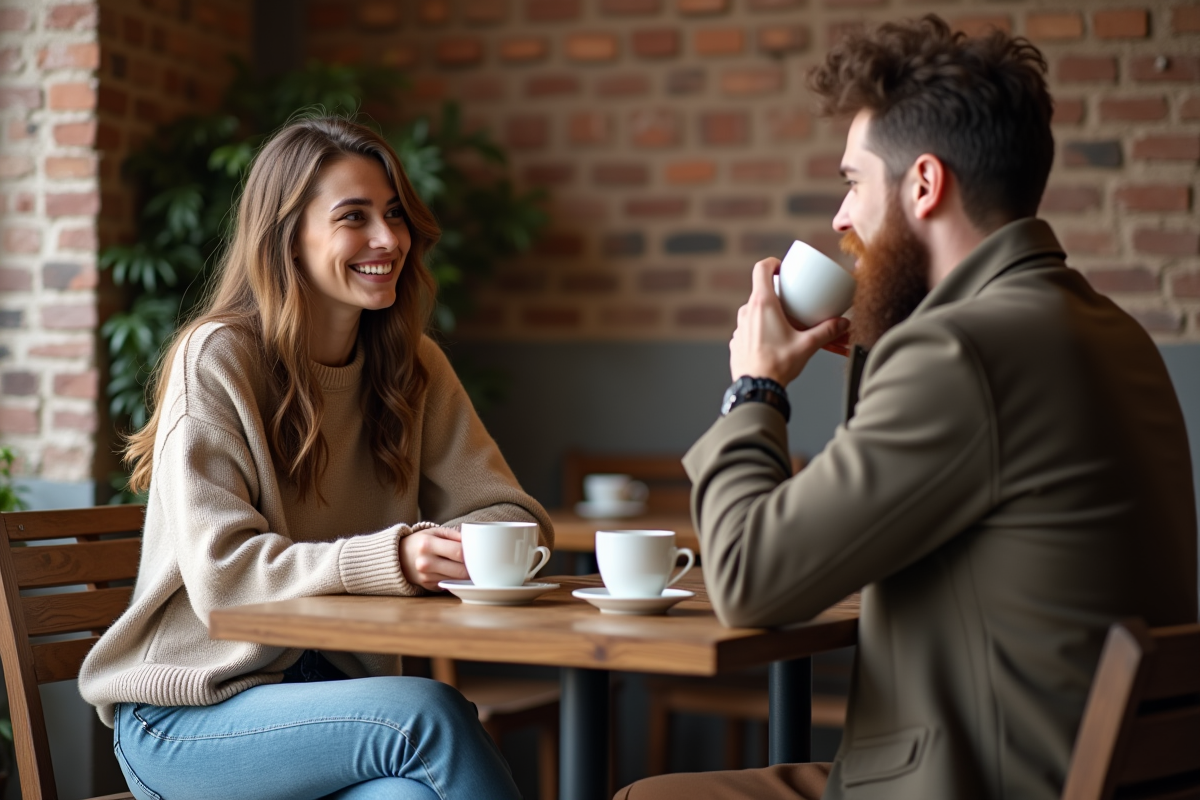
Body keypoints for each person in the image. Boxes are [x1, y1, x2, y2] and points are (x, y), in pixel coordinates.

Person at [616, 15, 1196, 800]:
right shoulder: (1106, 330)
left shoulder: (961, 352)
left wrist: (755, 387)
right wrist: (881, 349)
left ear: (924, 184)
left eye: (854, 182)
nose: (840, 217)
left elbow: (749, 579)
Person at [79, 116, 553, 800]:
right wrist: (392, 559)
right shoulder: (217, 358)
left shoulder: (414, 365)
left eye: (394, 213)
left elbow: (511, 515)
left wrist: (465, 549)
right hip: (189, 713)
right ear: (287, 238)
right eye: (354, 217)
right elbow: (223, 576)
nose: (388, 239)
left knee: (413, 794)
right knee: (429, 715)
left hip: (332, 706)